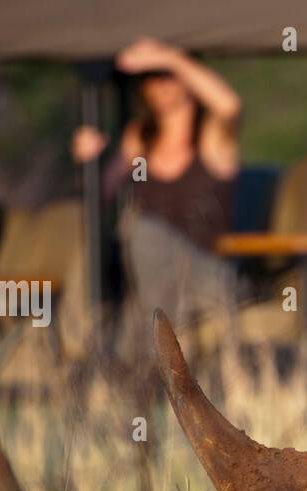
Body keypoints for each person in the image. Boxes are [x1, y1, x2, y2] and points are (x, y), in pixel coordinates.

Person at [72, 38, 243, 372]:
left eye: (168, 74)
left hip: (207, 272)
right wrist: (86, 161)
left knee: (142, 231)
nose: (160, 84)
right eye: (152, 75)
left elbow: (230, 105)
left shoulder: (211, 137)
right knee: (127, 244)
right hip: (151, 278)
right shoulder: (139, 137)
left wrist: (170, 57)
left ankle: (155, 361)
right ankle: (123, 366)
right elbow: (100, 193)